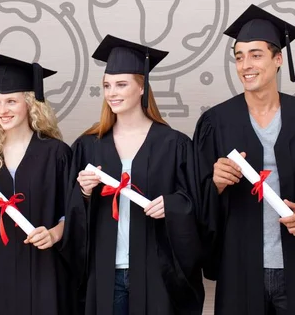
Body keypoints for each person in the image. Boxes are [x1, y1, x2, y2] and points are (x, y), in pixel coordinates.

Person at [193, 4, 295, 315]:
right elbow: (191, 199)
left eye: (256, 55)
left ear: (278, 59)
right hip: (238, 266)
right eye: (239, 57)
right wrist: (212, 183)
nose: (245, 65)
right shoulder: (216, 122)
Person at [66, 35, 204, 315]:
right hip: (105, 272)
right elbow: (70, 215)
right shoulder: (88, 145)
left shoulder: (174, 144)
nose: (112, 93)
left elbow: (197, 204)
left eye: (121, 84)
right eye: (107, 85)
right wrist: (83, 193)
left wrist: (173, 205)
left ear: (142, 87)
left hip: (156, 272)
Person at [0, 55, 78, 315]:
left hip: (43, 268)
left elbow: (73, 214)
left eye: (11, 101)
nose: (2, 110)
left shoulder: (56, 154)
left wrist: (53, 234)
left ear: (30, 104)